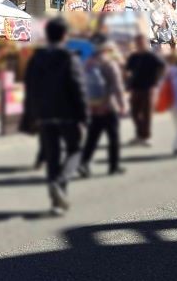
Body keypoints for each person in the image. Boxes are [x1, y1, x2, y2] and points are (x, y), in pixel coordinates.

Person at [22, 17, 88, 216]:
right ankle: (59, 185)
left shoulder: (36, 58)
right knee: (75, 150)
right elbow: (78, 89)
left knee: (52, 157)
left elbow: (30, 88)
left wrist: (32, 115)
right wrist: (84, 117)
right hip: (67, 114)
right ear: (64, 35)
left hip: (44, 115)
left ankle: (56, 203)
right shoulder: (69, 57)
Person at [79, 42, 126, 177]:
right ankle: (114, 166)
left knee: (92, 137)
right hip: (108, 106)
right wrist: (122, 104)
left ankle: (84, 162)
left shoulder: (87, 64)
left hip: (93, 106)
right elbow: (117, 86)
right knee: (113, 137)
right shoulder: (110, 64)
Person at [124, 34, 165, 147]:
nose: (139, 44)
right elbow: (127, 70)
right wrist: (128, 80)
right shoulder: (133, 56)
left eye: (141, 42)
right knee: (134, 112)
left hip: (149, 88)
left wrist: (156, 80)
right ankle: (139, 135)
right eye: (138, 42)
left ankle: (146, 137)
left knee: (146, 113)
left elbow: (162, 67)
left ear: (146, 43)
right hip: (135, 88)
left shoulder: (152, 56)